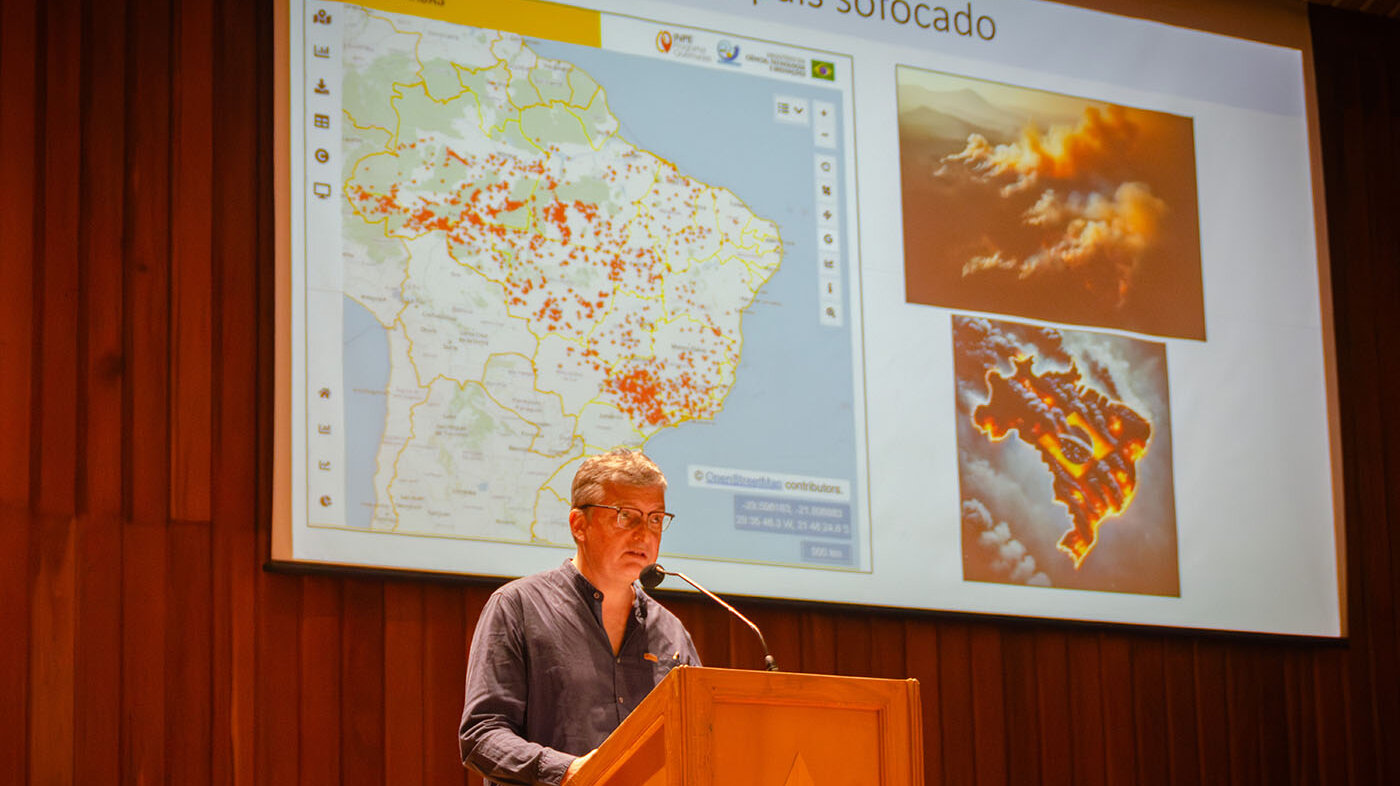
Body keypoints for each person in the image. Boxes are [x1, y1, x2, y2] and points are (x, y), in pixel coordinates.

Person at [459, 448, 701, 786]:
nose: (644, 533)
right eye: (626, 515)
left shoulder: (671, 632)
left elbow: (699, 739)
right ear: (579, 525)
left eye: (655, 518)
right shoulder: (518, 607)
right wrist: (567, 772)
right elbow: (482, 735)